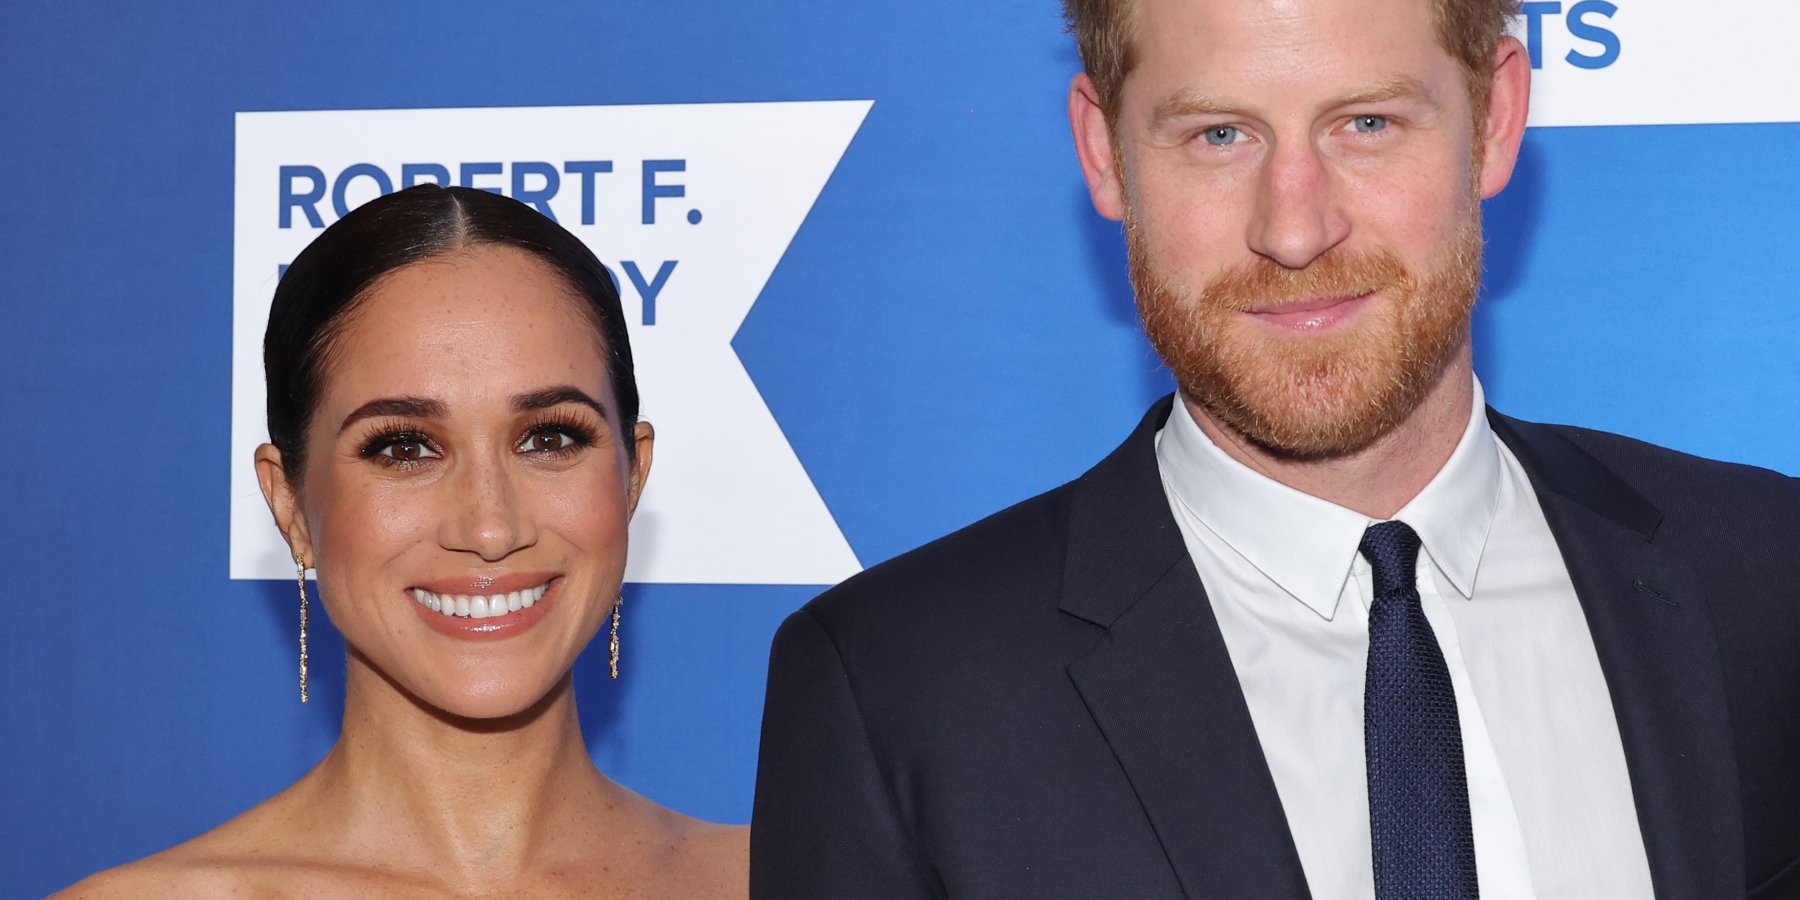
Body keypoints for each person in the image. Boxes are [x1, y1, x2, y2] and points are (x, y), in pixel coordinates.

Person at [751, 0, 1800, 896]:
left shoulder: (1767, 576)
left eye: (1368, 123)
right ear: (1103, 150)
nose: (1294, 229)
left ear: (1495, 117)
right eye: (1218, 136)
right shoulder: (896, 692)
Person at [63, 185, 747, 897]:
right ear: (290, 503)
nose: (489, 528)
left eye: (548, 438)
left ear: (631, 475)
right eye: (404, 449)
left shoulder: (803, 872)